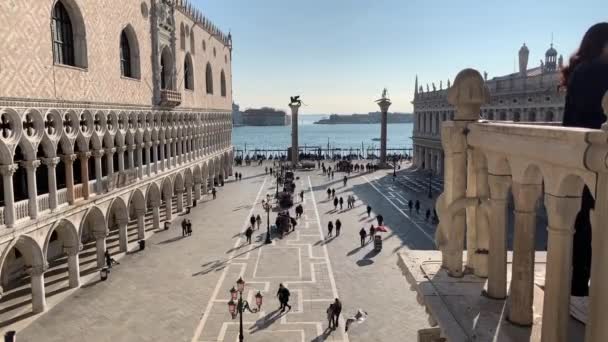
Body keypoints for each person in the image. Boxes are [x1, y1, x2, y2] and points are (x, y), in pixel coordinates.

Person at [561, 23, 608, 298]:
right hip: (598, 159)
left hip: (578, 158)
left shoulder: (580, 72)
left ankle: (578, 287)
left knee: (582, 226)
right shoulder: (599, 71)